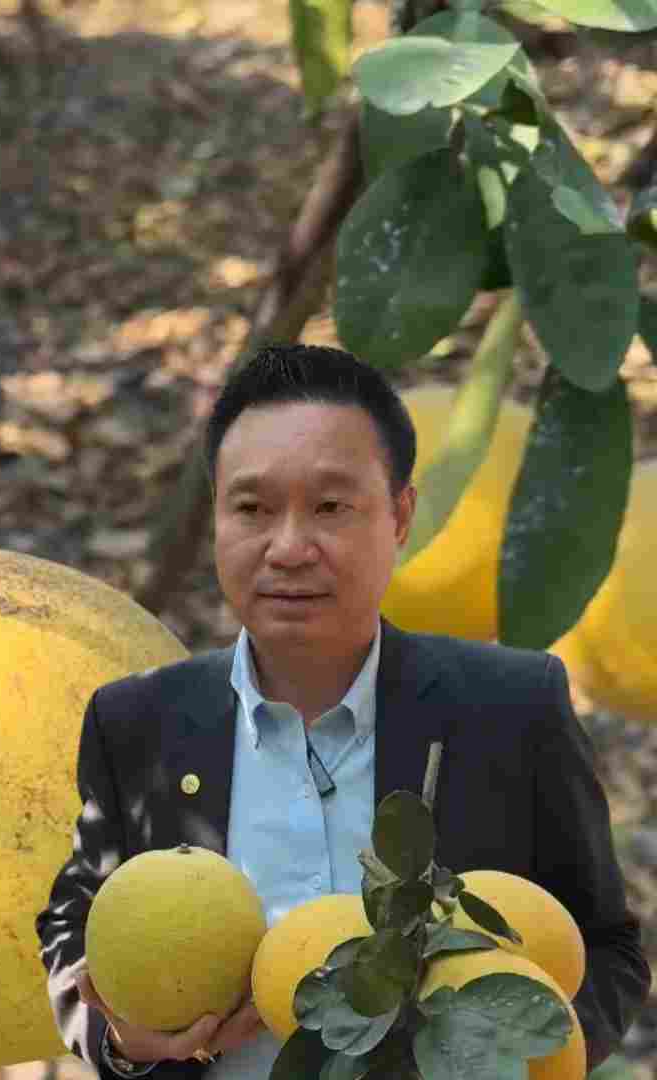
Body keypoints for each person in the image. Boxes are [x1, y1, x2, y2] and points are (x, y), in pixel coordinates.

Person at [35, 344, 650, 1079]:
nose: (290, 548)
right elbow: (74, 926)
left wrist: (504, 1056)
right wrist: (124, 1043)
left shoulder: (511, 709)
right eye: (253, 508)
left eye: (330, 506)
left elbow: (606, 951)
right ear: (216, 519)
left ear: (399, 517)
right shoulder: (136, 724)